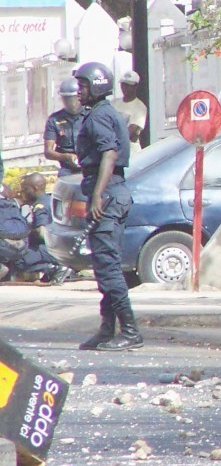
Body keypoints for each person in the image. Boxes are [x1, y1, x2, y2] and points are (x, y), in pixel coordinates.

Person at [74, 61, 143, 352]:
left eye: (84, 85)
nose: (79, 91)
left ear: (97, 86)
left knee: (108, 267)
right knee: (105, 266)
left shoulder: (100, 116)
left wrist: (98, 195)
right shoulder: (104, 113)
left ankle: (130, 331)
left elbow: (109, 153)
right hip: (114, 192)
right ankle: (107, 329)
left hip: (109, 194)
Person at [10, 173, 72, 284]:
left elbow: (42, 233)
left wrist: (27, 233)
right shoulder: (49, 200)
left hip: (49, 249)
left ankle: (52, 268)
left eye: (25, 189)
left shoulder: (39, 206)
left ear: (35, 189)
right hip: (62, 247)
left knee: (17, 258)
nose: (22, 192)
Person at [43, 78, 85, 177]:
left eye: (74, 98)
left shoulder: (91, 115)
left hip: (89, 167)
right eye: (67, 99)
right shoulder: (54, 119)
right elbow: (48, 151)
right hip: (67, 169)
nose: (72, 103)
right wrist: (65, 157)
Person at [109, 70, 148, 158]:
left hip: (131, 154)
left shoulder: (140, 107)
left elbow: (130, 131)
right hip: (114, 151)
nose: (125, 88)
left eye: (129, 85)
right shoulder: (113, 103)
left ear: (135, 86)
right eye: (123, 85)